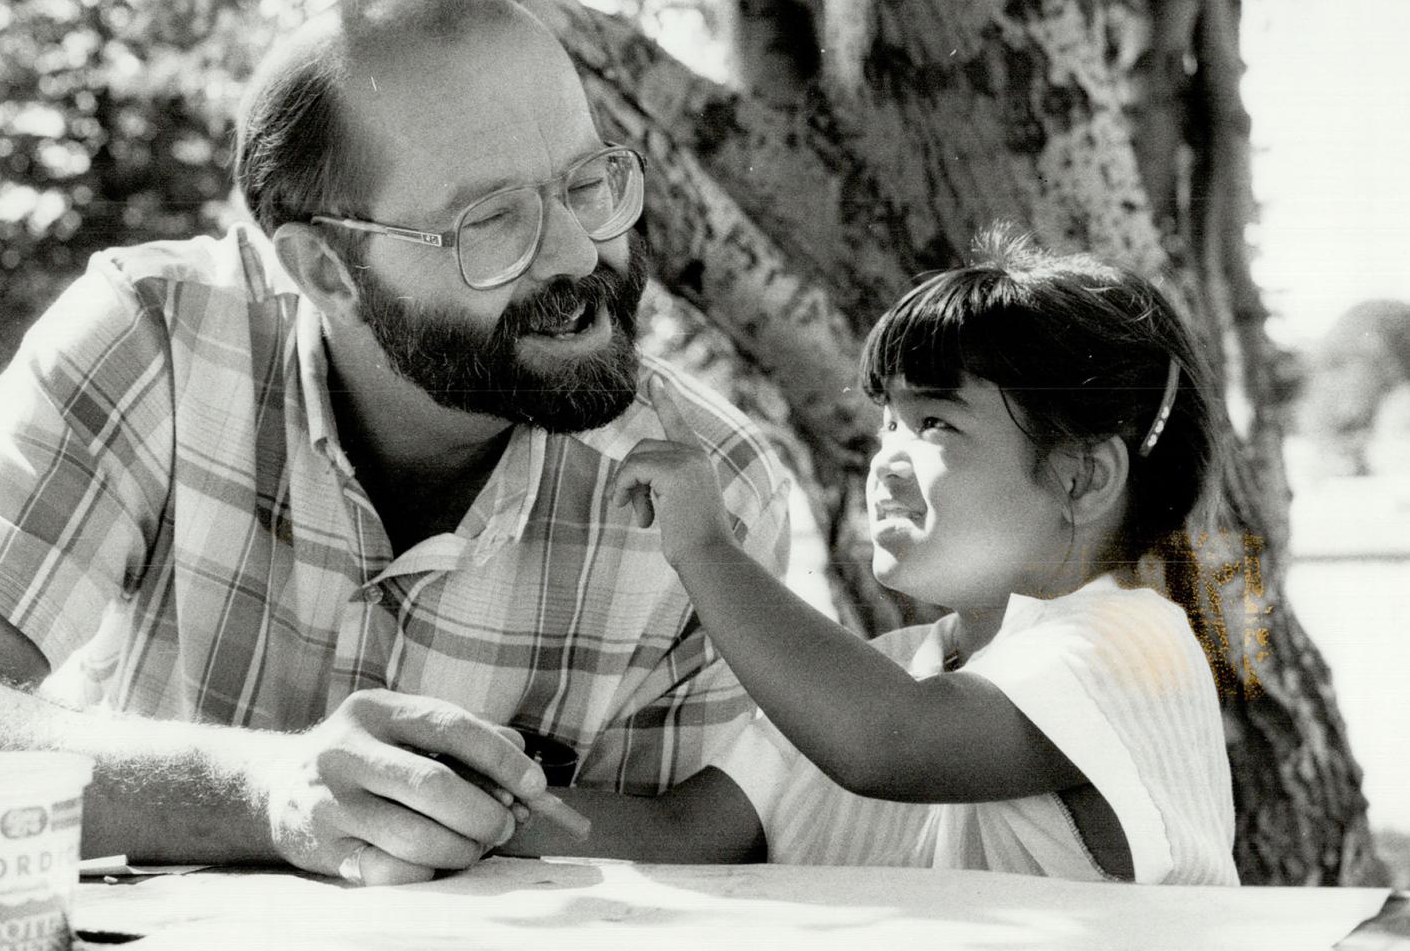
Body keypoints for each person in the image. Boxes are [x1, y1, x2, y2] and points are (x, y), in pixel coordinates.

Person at [0, 0, 790, 886]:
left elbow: (696, 849)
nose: (578, 253)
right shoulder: (154, 335)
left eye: (588, 182)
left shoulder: (715, 490)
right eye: (493, 220)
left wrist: (417, 810)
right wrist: (261, 790)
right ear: (327, 270)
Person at [505, 230, 1240, 886]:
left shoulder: (1138, 647)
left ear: (1081, 477)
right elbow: (681, 834)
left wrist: (704, 548)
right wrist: (480, 803)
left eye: (935, 424)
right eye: (887, 423)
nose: (886, 459)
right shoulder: (885, 673)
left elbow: (887, 743)